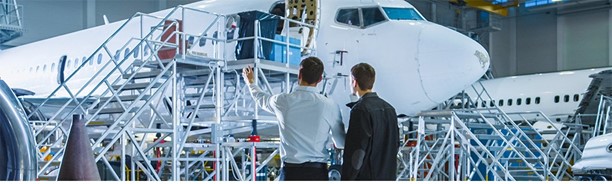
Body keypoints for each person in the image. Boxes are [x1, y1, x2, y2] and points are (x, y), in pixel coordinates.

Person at [242, 57, 345, 181]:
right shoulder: (330, 105)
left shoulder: (282, 101)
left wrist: (251, 83)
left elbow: (260, 98)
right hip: (317, 173)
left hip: (290, 173)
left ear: (299, 74)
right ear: (320, 79)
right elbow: (340, 143)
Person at [341, 63, 399, 180]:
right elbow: (395, 145)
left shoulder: (360, 110)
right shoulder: (390, 109)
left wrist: (347, 178)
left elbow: (357, 151)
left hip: (367, 176)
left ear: (354, 82)